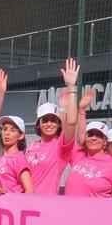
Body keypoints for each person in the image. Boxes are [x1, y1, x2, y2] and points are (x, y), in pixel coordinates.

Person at [26, 59, 80, 196]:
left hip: (46, 206)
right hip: (24, 203)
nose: (49, 124)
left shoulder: (61, 147)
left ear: (58, 123)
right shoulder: (31, 147)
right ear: (39, 123)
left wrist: (71, 87)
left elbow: (72, 121)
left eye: (53, 120)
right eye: (45, 120)